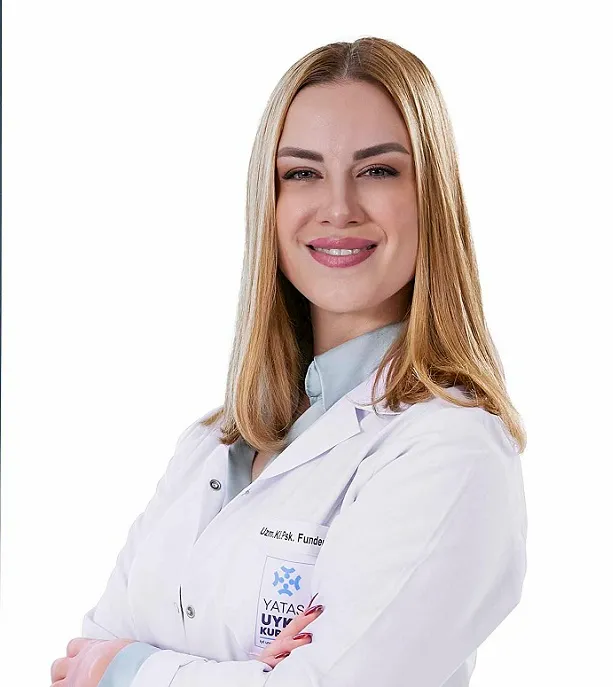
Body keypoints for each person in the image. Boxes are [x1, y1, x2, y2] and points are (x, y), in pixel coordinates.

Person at [50, 36, 528, 687]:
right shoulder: (211, 444)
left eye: (378, 170)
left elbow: (105, 666)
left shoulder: (451, 448)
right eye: (302, 173)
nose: (339, 207)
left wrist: (131, 668)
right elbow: (78, 662)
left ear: (431, 197)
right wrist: (246, 675)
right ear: (268, 203)